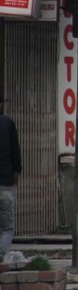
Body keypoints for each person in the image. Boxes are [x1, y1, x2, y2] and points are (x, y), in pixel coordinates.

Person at [0, 102, 20, 263]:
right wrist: (15, 181)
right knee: (7, 228)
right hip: (5, 186)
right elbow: (16, 153)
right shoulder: (7, 123)